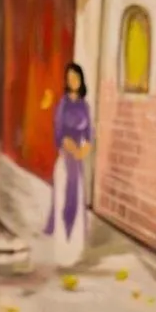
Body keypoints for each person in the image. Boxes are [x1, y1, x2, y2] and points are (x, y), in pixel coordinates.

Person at [44, 63, 92, 267]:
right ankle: (62, 250)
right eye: (69, 78)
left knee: (77, 197)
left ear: (81, 80)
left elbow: (89, 134)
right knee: (64, 198)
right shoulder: (63, 104)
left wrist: (84, 149)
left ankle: (76, 249)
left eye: (76, 77)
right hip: (65, 159)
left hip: (79, 160)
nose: (73, 81)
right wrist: (69, 147)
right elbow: (58, 133)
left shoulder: (84, 106)